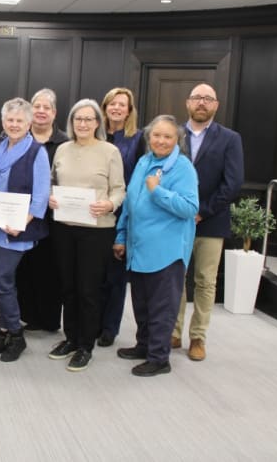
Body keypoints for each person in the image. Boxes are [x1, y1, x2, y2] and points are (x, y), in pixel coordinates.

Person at [114, 115, 199, 376]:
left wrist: (158, 191)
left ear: (177, 140)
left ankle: (160, 358)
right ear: (149, 137)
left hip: (166, 252)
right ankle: (144, 345)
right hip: (138, 248)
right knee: (141, 303)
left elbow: (189, 207)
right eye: (157, 135)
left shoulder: (183, 168)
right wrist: (120, 236)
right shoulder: (144, 161)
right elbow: (130, 202)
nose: (161, 141)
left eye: (168, 136)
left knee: (162, 307)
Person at [48, 99, 125, 372]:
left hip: (97, 230)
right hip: (64, 228)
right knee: (67, 287)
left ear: (97, 123)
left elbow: (119, 189)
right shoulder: (61, 150)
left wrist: (110, 204)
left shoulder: (110, 151)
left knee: (88, 289)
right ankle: (70, 338)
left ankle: (85, 345)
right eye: (78, 119)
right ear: (71, 122)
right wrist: (50, 199)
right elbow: (51, 183)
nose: (82, 124)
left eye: (88, 119)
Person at [172, 83, 244, 361]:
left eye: (207, 99)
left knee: (204, 281)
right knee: (176, 278)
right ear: (187, 103)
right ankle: (173, 331)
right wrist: (182, 209)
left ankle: (198, 337)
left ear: (216, 105)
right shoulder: (173, 134)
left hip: (211, 222)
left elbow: (233, 182)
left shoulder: (230, 138)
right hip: (176, 220)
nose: (201, 103)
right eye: (196, 98)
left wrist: (202, 211)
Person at [0, 98, 50, 362]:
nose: (14, 124)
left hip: (17, 228)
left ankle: (17, 336)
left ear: (30, 123)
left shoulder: (37, 152)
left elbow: (41, 195)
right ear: (3, 122)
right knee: (3, 282)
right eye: (10, 120)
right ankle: (5, 333)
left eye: (20, 120)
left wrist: (23, 222)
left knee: (0, 280)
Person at [14, 88, 68, 332]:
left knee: (49, 268)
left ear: (54, 113)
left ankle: (47, 319)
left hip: (53, 216)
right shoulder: (16, 137)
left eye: (47, 107)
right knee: (22, 266)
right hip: (19, 213)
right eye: (37, 106)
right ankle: (24, 314)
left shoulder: (65, 143)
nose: (41, 111)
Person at [97, 87, 146, 347]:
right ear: (104, 108)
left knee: (115, 276)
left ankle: (109, 328)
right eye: (111, 104)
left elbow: (137, 182)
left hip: (120, 213)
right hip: (92, 212)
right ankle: (93, 322)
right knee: (93, 274)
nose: (116, 108)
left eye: (122, 105)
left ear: (129, 110)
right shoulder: (95, 135)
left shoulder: (138, 140)